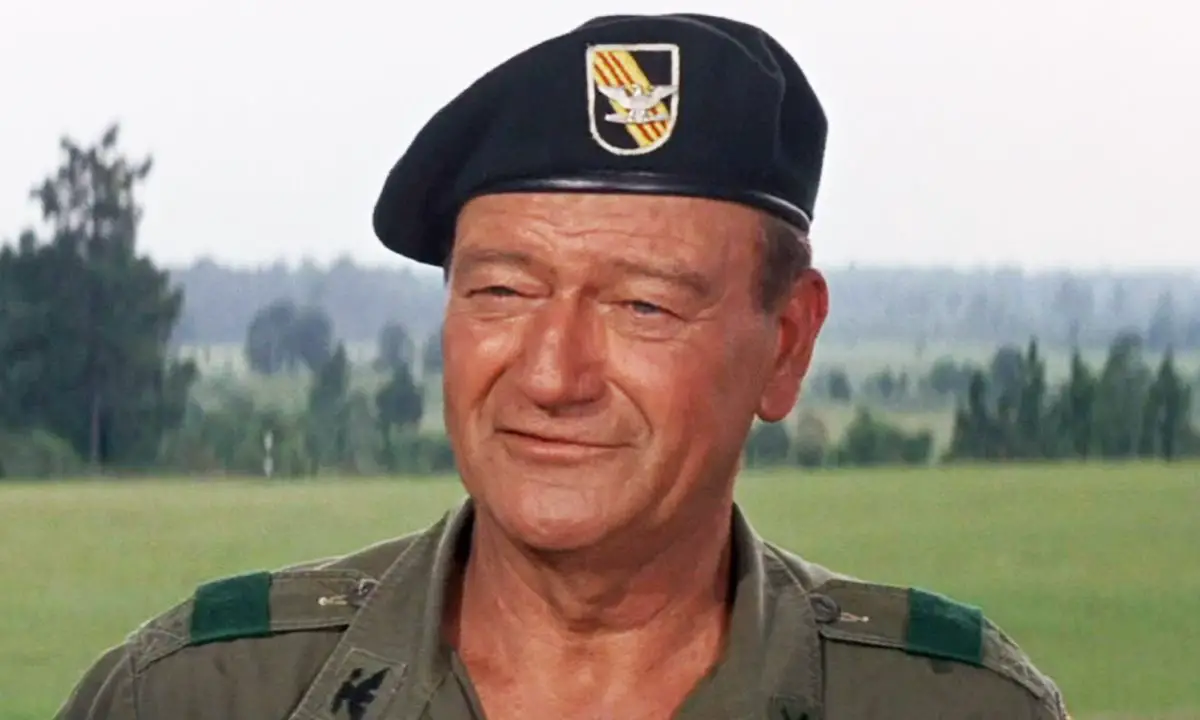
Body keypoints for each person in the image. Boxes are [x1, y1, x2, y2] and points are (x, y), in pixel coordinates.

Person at [56, 13, 1070, 720]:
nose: (552, 375)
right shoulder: (196, 698)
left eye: (643, 306)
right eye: (502, 291)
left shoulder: (951, 706)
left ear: (788, 344)